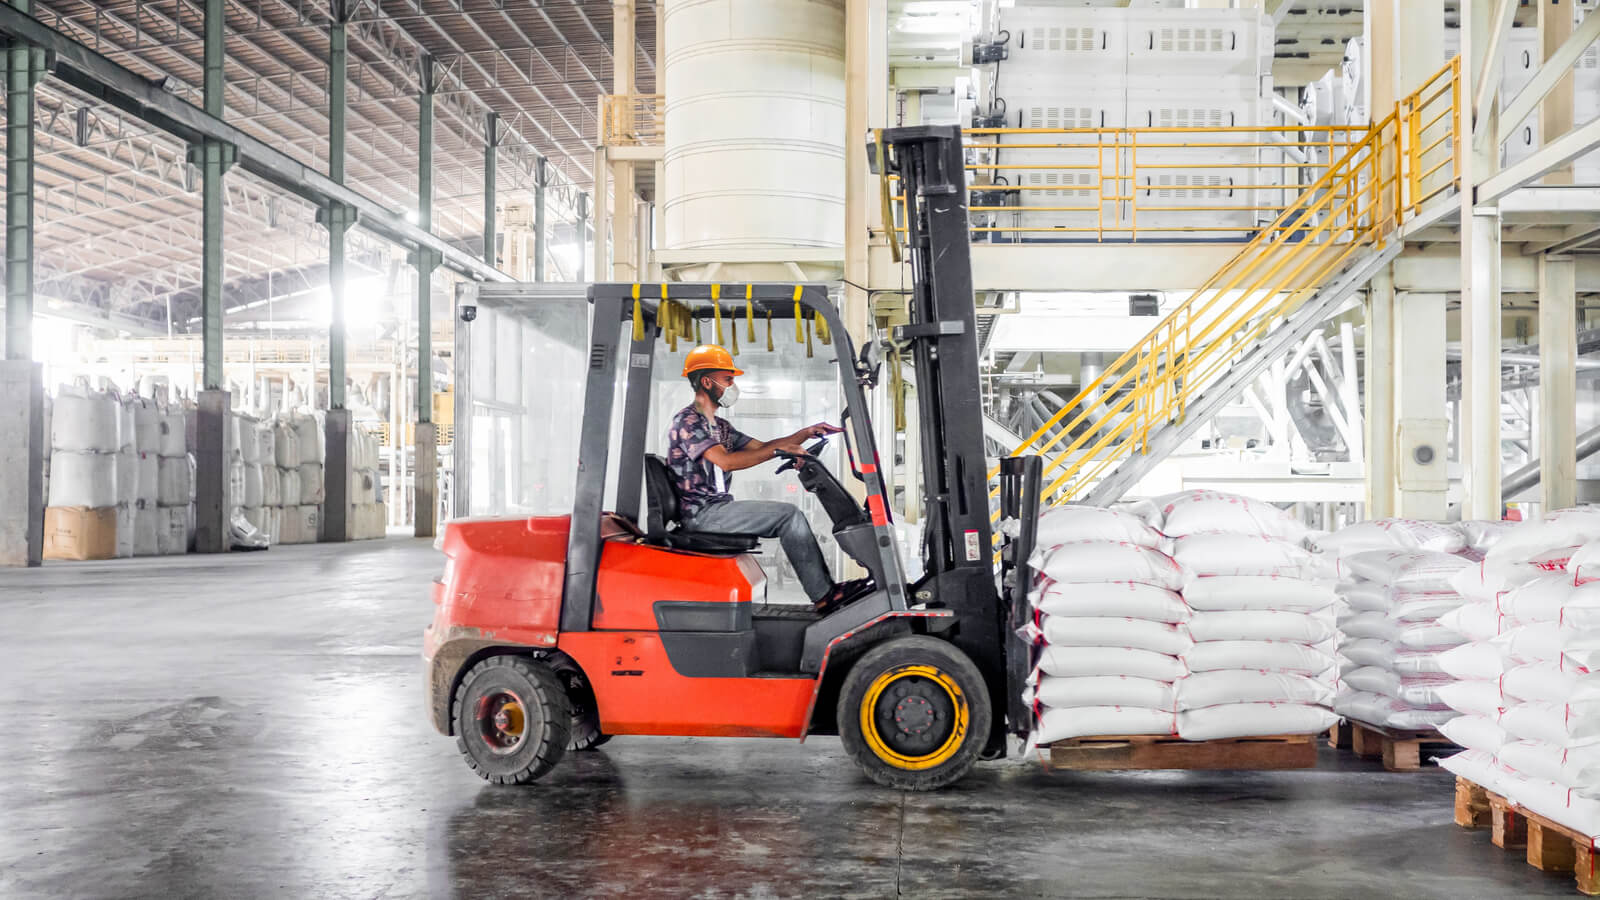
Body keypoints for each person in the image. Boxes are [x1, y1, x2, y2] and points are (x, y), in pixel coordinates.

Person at [667, 344, 853, 611]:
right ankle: (824, 596)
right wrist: (779, 450)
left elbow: (761, 446)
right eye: (728, 379)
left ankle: (826, 591)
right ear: (706, 381)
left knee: (789, 514)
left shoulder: (719, 426)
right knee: (788, 516)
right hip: (702, 514)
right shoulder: (688, 423)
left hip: (718, 508)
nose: (733, 386)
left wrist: (805, 433)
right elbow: (727, 462)